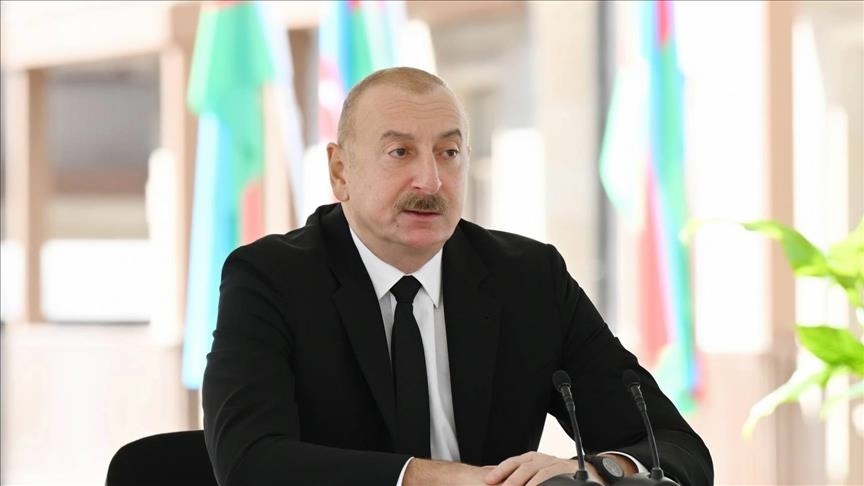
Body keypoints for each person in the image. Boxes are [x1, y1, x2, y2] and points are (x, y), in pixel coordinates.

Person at [202, 67, 712, 486]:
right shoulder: (270, 278)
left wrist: (600, 471)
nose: (431, 181)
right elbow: (249, 462)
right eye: (400, 152)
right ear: (340, 172)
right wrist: (436, 479)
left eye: (448, 153)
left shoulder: (529, 279)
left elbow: (676, 447)